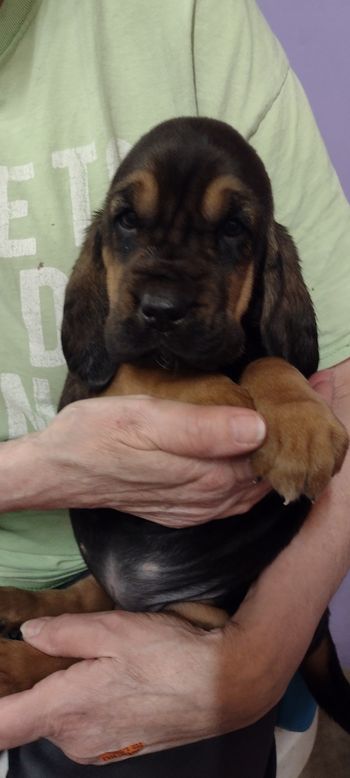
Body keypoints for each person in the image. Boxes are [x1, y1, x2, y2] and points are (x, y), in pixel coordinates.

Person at [0, 0, 349, 776]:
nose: (161, 294)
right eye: (132, 227)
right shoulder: (103, 331)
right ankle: (67, 611)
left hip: (215, 590)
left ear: (266, 265)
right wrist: (34, 470)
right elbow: (92, 375)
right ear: (100, 249)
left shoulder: (194, 17)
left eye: (228, 236)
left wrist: (255, 666)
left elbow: (317, 372)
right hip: (97, 565)